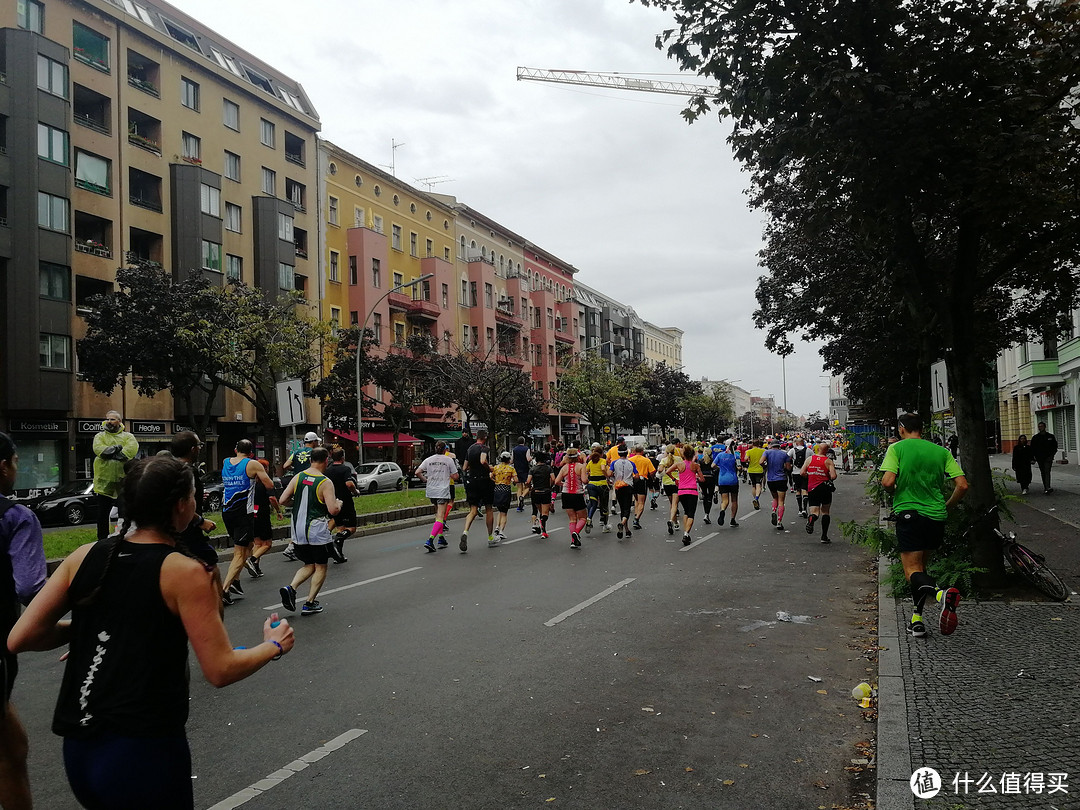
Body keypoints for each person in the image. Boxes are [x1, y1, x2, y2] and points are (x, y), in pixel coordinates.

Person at [9, 455, 293, 810]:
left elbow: (20, 637)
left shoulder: (84, 555)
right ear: (181, 505)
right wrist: (273, 646)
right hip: (143, 750)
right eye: (193, 496)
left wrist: (88, 629)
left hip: (79, 747)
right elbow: (220, 669)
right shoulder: (187, 572)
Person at [879, 413, 968, 639]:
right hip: (936, 517)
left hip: (909, 515)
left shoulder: (897, 449)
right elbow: (963, 485)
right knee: (921, 570)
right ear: (922, 428)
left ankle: (941, 594)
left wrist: (893, 491)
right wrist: (947, 506)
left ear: (901, 428)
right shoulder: (941, 452)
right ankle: (917, 621)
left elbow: (888, 482)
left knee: (912, 572)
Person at [0, 433, 46, 810]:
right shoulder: (16, 518)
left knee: (12, 746)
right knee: (9, 754)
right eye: (16, 462)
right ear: (4, 466)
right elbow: (31, 588)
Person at [278, 448, 342, 616]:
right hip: (316, 529)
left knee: (308, 564)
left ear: (310, 460)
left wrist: (298, 503)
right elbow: (333, 510)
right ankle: (309, 603)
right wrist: (339, 504)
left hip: (297, 529)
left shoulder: (298, 476)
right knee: (320, 566)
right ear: (326, 460)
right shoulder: (325, 482)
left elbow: (283, 500)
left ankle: (290, 588)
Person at [220, 440, 277, 607]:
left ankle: (236, 580)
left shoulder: (225, 461)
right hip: (243, 513)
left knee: (249, 544)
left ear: (235, 449)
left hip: (226, 511)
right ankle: (224, 590)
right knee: (240, 552)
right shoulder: (252, 464)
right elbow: (269, 484)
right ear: (251, 453)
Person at [91, 411, 139, 541]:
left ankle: (124, 536)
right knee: (102, 514)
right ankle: (102, 539)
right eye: (107, 419)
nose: (109, 422)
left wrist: (112, 452)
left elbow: (129, 451)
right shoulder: (99, 436)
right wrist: (117, 449)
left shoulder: (128, 437)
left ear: (119, 421)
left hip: (123, 481)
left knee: (124, 512)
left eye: (112, 419)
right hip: (103, 482)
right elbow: (100, 450)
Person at [416, 441, 459, 553]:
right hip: (442, 490)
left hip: (431, 490)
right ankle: (430, 540)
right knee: (441, 515)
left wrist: (425, 480)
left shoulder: (428, 460)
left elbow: (417, 472)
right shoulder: (448, 460)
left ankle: (441, 538)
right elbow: (455, 476)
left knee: (437, 515)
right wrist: (449, 474)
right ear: (445, 449)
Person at [244, 458, 281, 578]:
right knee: (268, 544)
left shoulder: (251, 483)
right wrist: (278, 510)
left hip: (251, 513)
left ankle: (256, 567)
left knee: (258, 542)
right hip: (262, 514)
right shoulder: (266, 484)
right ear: (264, 469)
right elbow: (272, 499)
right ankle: (252, 559)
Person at [460, 430, 494, 552]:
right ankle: (490, 536)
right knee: (489, 508)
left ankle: (465, 531)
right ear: (484, 437)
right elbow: (483, 460)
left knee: (473, 510)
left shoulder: (470, 449)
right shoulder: (484, 448)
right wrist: (489, 468)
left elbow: (464, 467)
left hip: (472, 481)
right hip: (484, 481)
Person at [323, 448, 357, 563]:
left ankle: (338, 555)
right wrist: (355, 491)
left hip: (332, 502)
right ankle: (338, 538)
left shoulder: (327, 471)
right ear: (343, 458)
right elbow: (349, 483)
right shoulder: (345, 469)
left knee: (340, 527)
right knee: (351, 528)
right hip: (345, 502)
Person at [800, 441, 838, 543]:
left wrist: (811, 476)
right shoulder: (828, 461)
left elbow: (802, 472)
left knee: (814, 511)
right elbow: (834, 476)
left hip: (812, 488)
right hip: (824, 488)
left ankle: (812, 518)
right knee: (825, 511)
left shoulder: (809, 459)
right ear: (826, 451)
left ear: (818, 449)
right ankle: (824, 536)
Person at [553, 447, 588, 549]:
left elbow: (556, 482)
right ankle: (576, 533)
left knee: (572, 519)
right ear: (577, 456)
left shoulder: (564, 468)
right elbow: (584, 480)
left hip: (566, 494)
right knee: (582, 518)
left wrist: (564, 483)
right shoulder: (581, 466)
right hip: (577, 494)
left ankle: (573, 541)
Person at [673, 445, 704, 545]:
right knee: (691, 513)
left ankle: (686, 532)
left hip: (681, 491)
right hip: (692, 491)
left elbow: (668, 471)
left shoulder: (679, 464)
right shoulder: (695, 466)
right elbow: (702, 479)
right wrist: (697, 478)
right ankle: (686, 533)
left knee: (686, 512)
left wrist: (675, 480)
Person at [762, 439, 793, 531]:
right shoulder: (784, 454)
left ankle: (773, 510)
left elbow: (761, 462)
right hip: (781, 479)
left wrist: (765, 466)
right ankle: (779, 521)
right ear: (779, 446)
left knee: (775, 498)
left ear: (771, 445)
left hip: (771, 479)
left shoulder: (767, 452)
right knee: (781, 501)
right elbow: (788, 467)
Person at [609, 446, 637, 539]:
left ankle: (627, 530)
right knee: (627, 508)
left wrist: (613, 476)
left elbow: (609, 473)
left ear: (618, 453)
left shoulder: (614, 463)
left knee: (622, 508)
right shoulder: (631, 463)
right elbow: (637, 476)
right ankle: (622, 524)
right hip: (628, 486)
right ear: (627, 453)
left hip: (618, 487)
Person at [525, 451, 554, 538]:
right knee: (545, 513)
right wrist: (550, 486)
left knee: (540, 511)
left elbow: (528, 481)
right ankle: (543, 531)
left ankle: (538, 522)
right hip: (545, 491)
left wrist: (530, 487)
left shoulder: (532, 469)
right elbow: (553, 479)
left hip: (536, 492)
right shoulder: (548, 468)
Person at [491, 451, 517, 544]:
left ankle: (497, 527)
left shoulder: (496, 467)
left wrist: (496, 481)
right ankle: (501, 531)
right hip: (506, 490)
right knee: (504, 512)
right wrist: (512, 480)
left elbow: (491, 476)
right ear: (509, 459)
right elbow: (516, 480)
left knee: (499, 510)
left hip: (497, 489)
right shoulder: (511, 469)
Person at [714, 440, 741, 528]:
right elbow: (739, 467)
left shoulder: (720, 455)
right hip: (733, 480)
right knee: (734, 500)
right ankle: (732, 519)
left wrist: (720, 467)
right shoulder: (736, 455)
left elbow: (712, 465)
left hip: (722, 480)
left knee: (724, 500)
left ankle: (722, 510)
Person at [585, 444, 611, 534]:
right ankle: (605, 525)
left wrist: (591, 474)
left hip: (591, 485)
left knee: (593, 504)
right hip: (602, 484)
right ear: (602, 453)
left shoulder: (590, 462)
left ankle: (589, 518)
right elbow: (603, 469)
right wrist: (607, 476)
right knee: (604, 505)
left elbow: (586, 471)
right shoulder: (602, 461)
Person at [628, 446, 656, 531]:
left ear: (635, 451)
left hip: (632, 480)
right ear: (642, 451)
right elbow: (652, 471)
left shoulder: (630, 460)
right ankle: (636, 519)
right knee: (641, 502)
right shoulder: (646, 460)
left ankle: (636, 515)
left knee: (636, 499)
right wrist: (651, 477)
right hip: (641, 480)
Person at [1030, 422, 1058, 494]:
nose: (1040, 428)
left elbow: (1055, 446)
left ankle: (1048, 487)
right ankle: (1046, 486)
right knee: (1043, 472)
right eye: (1039, 426)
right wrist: (1033, 458)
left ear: (1045, 427)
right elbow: (1032, 448)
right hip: (1040, 458)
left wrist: (1052, 455)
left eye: (1041, 426)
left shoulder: (1050, 436)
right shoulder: (1036, 437)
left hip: (1048, 458)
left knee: (1047, 471)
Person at [788, 437, 810, 517]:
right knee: (805, 490)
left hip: (795, 472)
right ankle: (805, 509)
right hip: (805, 472)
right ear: (803, 442)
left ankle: (800, 509)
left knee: (798, 490)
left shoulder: (792, 450)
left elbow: (787, 458)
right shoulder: (808, 450)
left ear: (796, 443)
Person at [698, 444, 718, 525]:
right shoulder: (712, 461)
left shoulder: (700, 461)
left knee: (705, 495)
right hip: (711, 479)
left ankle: (705, 512)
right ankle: (707, 514)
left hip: (702, 479)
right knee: (710, 496)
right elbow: (716, 468)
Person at [511, 437, 532, 512]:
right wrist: (531, 458)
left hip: (517, 470)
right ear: (524, 441)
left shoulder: (514, 449)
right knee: (527, 486)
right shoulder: (526, 449)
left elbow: (512, 460)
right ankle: (522, 496)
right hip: (525, 469)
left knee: (519, 487)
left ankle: (519, 505)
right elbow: (528, 459)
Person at [745, 439, 766, 510]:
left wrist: (748, 460)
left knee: (753, 485)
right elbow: (765, 460)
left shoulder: (748, 451)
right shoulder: (763, 451)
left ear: (752, 444)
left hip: (751, 470)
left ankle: (755, 499)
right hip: (759, 470)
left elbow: (745, 459)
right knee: (758, 485)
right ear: (759, 444)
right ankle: (756, 498)